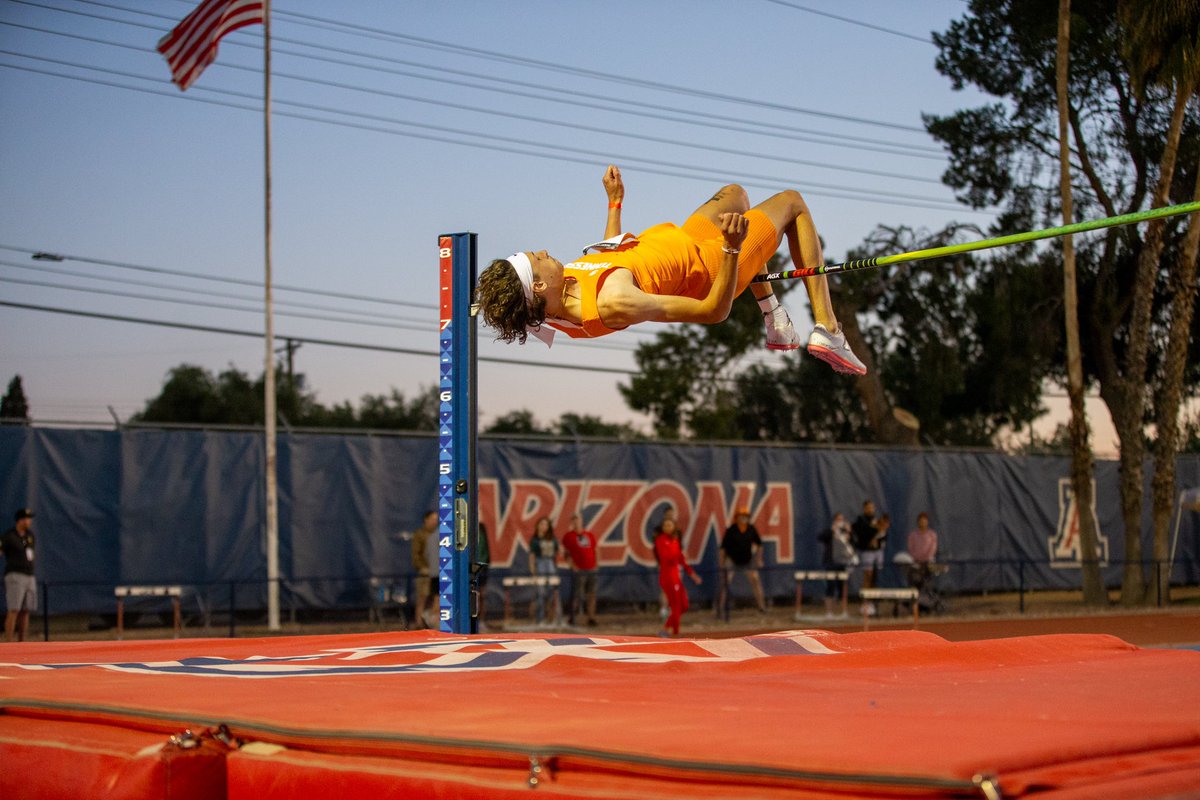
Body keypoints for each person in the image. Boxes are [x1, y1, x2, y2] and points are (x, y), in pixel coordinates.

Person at [475, 165, 866, 375]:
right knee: (792, 202)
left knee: (735, 194)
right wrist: (731, 247)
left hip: (686, 239)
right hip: (710, 266)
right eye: (537, 257)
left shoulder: (561, 299)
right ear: (540, 284)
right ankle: (829, 330)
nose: (543, 251)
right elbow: (714, 311)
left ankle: (774, 318)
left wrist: (615, 205)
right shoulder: (614, 302)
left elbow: (610, 259)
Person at [653, 517, 701, 637]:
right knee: (676, 605)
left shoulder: (675, 540)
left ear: (674, 527)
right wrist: (676, 554)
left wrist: (693, 575)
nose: (667, 528)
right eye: (665, 526)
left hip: (676, 577)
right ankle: (674, 632)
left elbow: (681, 560)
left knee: (683, 605)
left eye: (670, 525)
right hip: (668, 577)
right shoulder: (661, 540)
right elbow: (667, 558)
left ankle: (666, 628)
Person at [719, 507, 767, 614]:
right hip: (732, 559)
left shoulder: (751, 529)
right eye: (741, 516)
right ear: (737, 517)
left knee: (755, 579)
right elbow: (723, 548)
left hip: (747, 560)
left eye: (745, 516)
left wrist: (759, 560)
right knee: (725, 582)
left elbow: (760, 546)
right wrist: (722, 562)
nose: (744, 518)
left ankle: (762, 607)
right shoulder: (731, 530)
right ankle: (721, 608)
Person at [2, 508, 36, 642]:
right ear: (20, 520)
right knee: (14, 609)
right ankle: (8, 643)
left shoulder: (30, 535)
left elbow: (31, 553)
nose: (29, 521)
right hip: (15, 575)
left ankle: (22, 643)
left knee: (26, 610)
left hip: (29, 575)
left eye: (29, 519)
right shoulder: (9, 536)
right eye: (26, 519)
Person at [560, 513, 599, 626]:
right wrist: (572, 565)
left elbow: (595, 549)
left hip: (591, 568)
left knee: (591, 594)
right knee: (576, 594)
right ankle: (572, 617)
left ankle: (591, 617)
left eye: (578, 520)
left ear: (582, 521)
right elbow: (565, 553)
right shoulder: (568, 536)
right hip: (579, 570)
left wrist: (597, 564)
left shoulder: (589, 535)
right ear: (572, 523)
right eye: (574, 521)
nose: (577, 523)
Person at [817, 512, 856, 616]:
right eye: (838, 519)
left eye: (842, 519)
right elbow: (820, 537)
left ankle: (843, 611)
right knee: (830, 585)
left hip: (842, 563)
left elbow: (854, 543)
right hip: (830, 563)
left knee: (842, 587)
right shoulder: (831, 531)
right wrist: (832, 530)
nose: (840, 522)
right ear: (834, 520)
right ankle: (829, 611)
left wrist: (850, 533)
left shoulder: (846, 532)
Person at [527, 516, 560, 625]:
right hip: (540, 564)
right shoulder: (535, 540)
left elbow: (557, 553)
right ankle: (540, 618)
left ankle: (553, 618)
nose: (543, 526)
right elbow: (532, 556)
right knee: (540, 594)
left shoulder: (552, 538)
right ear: (537, 526)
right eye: (541, 524)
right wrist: (533, 571)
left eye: (546, 524)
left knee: (552, 593)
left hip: (550, 565)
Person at [410, 510, 438, 628]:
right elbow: (416, 554)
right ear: (426, 520)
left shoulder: (440, 534)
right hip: (424, 573)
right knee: (422, 599)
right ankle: (419, 623)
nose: (434, 522)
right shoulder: (420, 534)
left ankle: (430, 623)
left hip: (436, 573)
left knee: (434, 599)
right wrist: (422, 568)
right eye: (432, 519)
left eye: (436, 519)